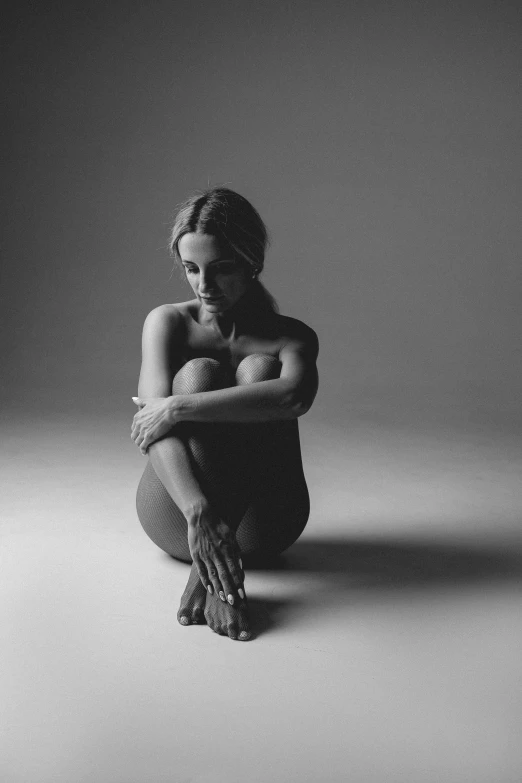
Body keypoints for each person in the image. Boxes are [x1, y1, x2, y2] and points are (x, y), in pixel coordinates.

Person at [131, 187, 319, 641]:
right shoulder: (168, 322)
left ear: (252, 263)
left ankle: (209, 577)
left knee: (258, 371)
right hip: (178, 516)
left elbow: (294, 397)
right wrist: (200, 514)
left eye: (221, 268)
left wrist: (178, 406)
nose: (203, 285)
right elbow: (152, 433)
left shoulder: (290, 337)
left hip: (267, 521)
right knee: (199, 372)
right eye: (191, 269)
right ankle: (215, 556)